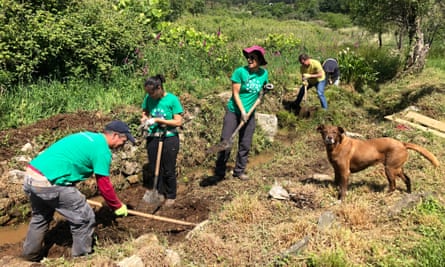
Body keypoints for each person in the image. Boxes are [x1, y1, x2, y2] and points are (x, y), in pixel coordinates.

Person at [22, 120, 135, 262]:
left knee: (40, 218)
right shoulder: (102, 150)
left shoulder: (89, 137)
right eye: (123, 141)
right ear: (115, 135)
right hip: (49, 182)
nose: (122, 146)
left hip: (31, 176)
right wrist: (117, 206)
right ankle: (82, 261)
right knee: (85, 219)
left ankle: (28, 258)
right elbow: (104, 185)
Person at [213, 45, 269, 181]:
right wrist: (242, 111)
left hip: (250, 113)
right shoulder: (240, 72)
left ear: (259, 59)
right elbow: (236, 94)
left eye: (253, 58)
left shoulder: (263, 74)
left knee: (245, 143)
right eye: (248, 57)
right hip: (234, 111)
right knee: (226, 140)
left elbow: (261, 93)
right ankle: (219, 172)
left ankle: (239, 171)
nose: (249, 60)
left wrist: (265, 91)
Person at [141, 74, 183, 206]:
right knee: (155, 167)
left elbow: (178, 121)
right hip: (153, 136)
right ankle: (158, 192)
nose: (150, 96)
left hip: (169, 137)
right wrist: (145, 120)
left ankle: (171, 195)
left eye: (152, 93)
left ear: (159, 88)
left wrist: (159, 120)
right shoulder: (148, 98)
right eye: (148, 93)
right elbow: (145, 112)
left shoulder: (172, 100)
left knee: (168, 168)